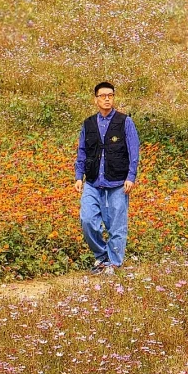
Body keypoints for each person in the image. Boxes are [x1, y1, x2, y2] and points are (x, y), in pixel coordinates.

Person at [74, 81, 140, 272]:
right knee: (87, 220)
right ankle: (102, 257)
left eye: (110, 95)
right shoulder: (88, 124)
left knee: (117, 226)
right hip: (93, 182)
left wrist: (131, 177)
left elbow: (133, 151)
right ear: (96, 99)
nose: (107, 99)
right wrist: (79, 176)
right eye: (103, 96)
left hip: (118, 182)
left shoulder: (125, 122)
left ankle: (114, 263)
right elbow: (82, 151)